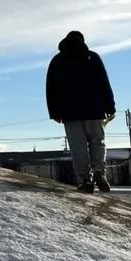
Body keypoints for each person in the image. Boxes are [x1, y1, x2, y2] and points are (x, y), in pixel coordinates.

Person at [46, 30, 115, 193]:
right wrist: (110, 107)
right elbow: (104, 83)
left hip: (70, 113)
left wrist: (54, 112)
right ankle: (99, 171)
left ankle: (86, 179)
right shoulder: (92, 57)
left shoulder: (57, 60)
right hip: (94, 109)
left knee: (78, 147)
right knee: (97, 142)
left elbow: (51, 89)